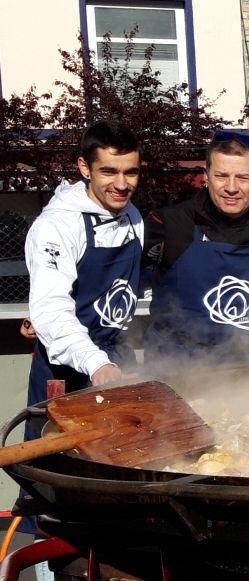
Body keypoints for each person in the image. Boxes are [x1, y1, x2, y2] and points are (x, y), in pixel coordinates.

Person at [141, 131, 249, 367]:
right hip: (173, 372)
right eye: (221, 176)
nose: (231, 187)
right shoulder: (168, 225)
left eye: (243, 177)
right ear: (206, 177)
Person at [23, 120, 143, 418]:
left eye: (131, 172)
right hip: (69, 370)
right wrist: (96, 363)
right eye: (108, 171)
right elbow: (51, 306)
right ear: (84, 168)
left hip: (119, 360)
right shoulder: (56, 226)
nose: (121, 184)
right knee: (62, 462)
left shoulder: (134, 217)